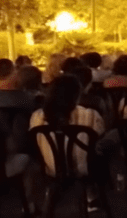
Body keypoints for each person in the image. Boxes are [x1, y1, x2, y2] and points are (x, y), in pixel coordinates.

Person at [29, 76, 107, 209]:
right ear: (78, 95)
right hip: (85, 168)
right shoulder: (91, 115)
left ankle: (42, 201)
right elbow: (100, 135)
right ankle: (93, 194)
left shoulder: (37, 116)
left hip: (51, 168)